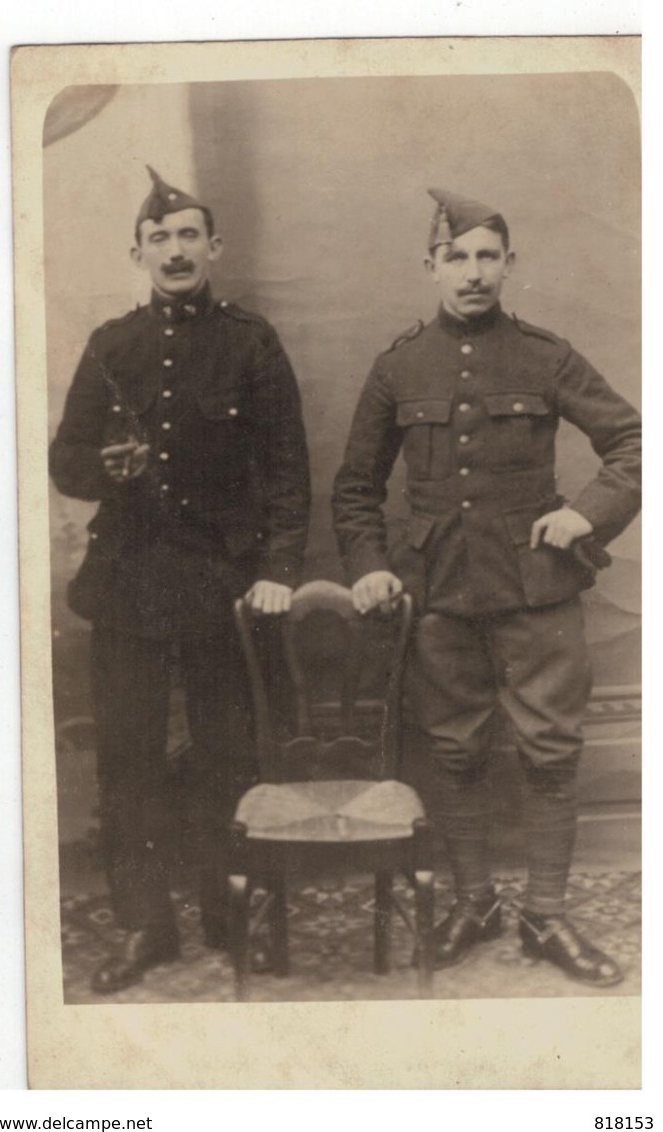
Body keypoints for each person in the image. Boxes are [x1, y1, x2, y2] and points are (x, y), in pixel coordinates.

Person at [332, 188, 640, 987]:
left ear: (509, 264)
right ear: (430, 266)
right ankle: (475, 902)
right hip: (437, 595)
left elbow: (632, 440)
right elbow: (356, 486)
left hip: (538, 589)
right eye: (456, 257)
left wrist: (586, 516)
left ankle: (546, 913)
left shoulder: (545, 355)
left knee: (550, 752)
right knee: (455, 751)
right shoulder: (399, 366)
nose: (472, 273)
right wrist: (369, 562)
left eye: (487, 257)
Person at [50, 168, 311, 994]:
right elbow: (65, 462)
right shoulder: (110, 345)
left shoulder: (251, 343)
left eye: (188, 234)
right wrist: (104, 465)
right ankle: (144, 926)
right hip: (129, 580)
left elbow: (287, 473)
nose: (174, 249)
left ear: (214, 249)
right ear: (138, 253)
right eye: (158, 238)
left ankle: (228, 912)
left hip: (220, 584)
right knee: (127, 757)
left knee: (226, 754)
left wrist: (275, 572)